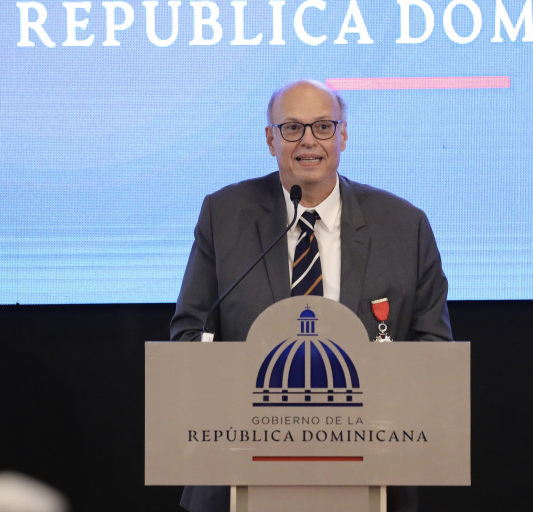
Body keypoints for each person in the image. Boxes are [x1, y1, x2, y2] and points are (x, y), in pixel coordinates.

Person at [170, 79, 452, 512]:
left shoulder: (403, 226)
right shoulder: (224, 217)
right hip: (240, 472)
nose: (308, 141)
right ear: (270, 139)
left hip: (369, 473)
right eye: (292, 128)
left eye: (323, 127)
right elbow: (190, 335)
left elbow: (433, 349)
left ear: (343, 135)